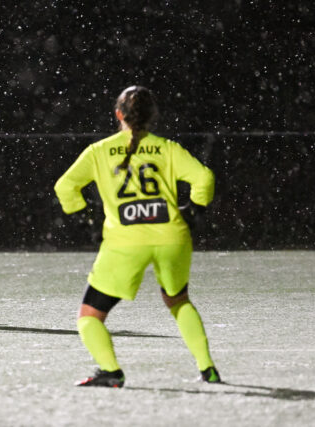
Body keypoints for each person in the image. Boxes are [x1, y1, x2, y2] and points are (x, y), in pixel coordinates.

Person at [54, 86, 220, 387]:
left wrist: (87, 218)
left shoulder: (100, 151)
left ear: (119, 114)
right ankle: (207, 368)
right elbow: (204, 178)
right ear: (152, 116)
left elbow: (65, 188)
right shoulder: (167, 148)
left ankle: (111, 372)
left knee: (89, 316)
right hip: (172, 236)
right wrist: (193, 212)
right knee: (178, 300)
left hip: (126, 242)